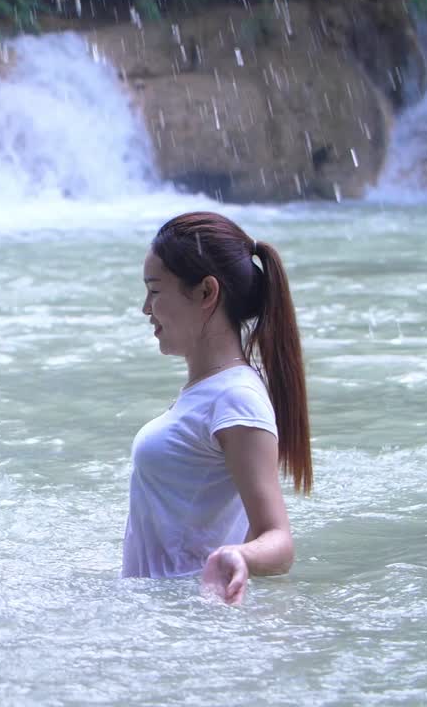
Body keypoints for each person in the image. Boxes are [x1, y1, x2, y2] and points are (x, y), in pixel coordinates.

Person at [121, 211, 312, 605]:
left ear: (207, 293)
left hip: (191, 623)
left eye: (155, 291)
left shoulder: (235, 398)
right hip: (164, 620)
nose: (145, 308)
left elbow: (278, 539)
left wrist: (239, 555)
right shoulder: (210, 390)